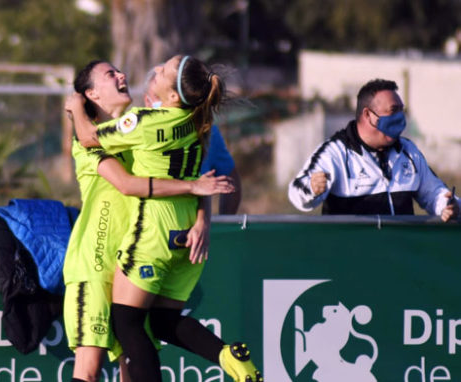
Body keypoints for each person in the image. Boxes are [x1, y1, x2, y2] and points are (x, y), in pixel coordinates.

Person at [66, 55, 262, 382]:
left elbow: (201, 176)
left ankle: (226, 357)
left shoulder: (143, 126)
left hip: (137, 251)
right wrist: (76, 111)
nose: (123, 74)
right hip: (96, 264)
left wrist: (204, 219)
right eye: (110, 74)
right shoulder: (93, 139)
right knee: (89, 370)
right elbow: (133, 183)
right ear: (92, 95)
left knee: (135, 350)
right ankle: (225, 356)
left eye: (118, 70)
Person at [288, 78, 459, 221]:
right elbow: (297, 193)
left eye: (401, 110)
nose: (400, 117)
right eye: (393, 111)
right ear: (368, 115)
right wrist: (312, 188)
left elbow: (435, 193)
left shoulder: (408, 150)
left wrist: (449, 205)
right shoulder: (335, 152)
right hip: (351, 257)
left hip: (400, 255)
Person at [143, 68, 242, 214]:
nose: (165, 103)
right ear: (147, 102)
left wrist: (223, 225)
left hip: (192, 232)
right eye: (159, 97)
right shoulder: (138, 132)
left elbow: (230, 179)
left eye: (169, 95)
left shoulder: (206, 131)